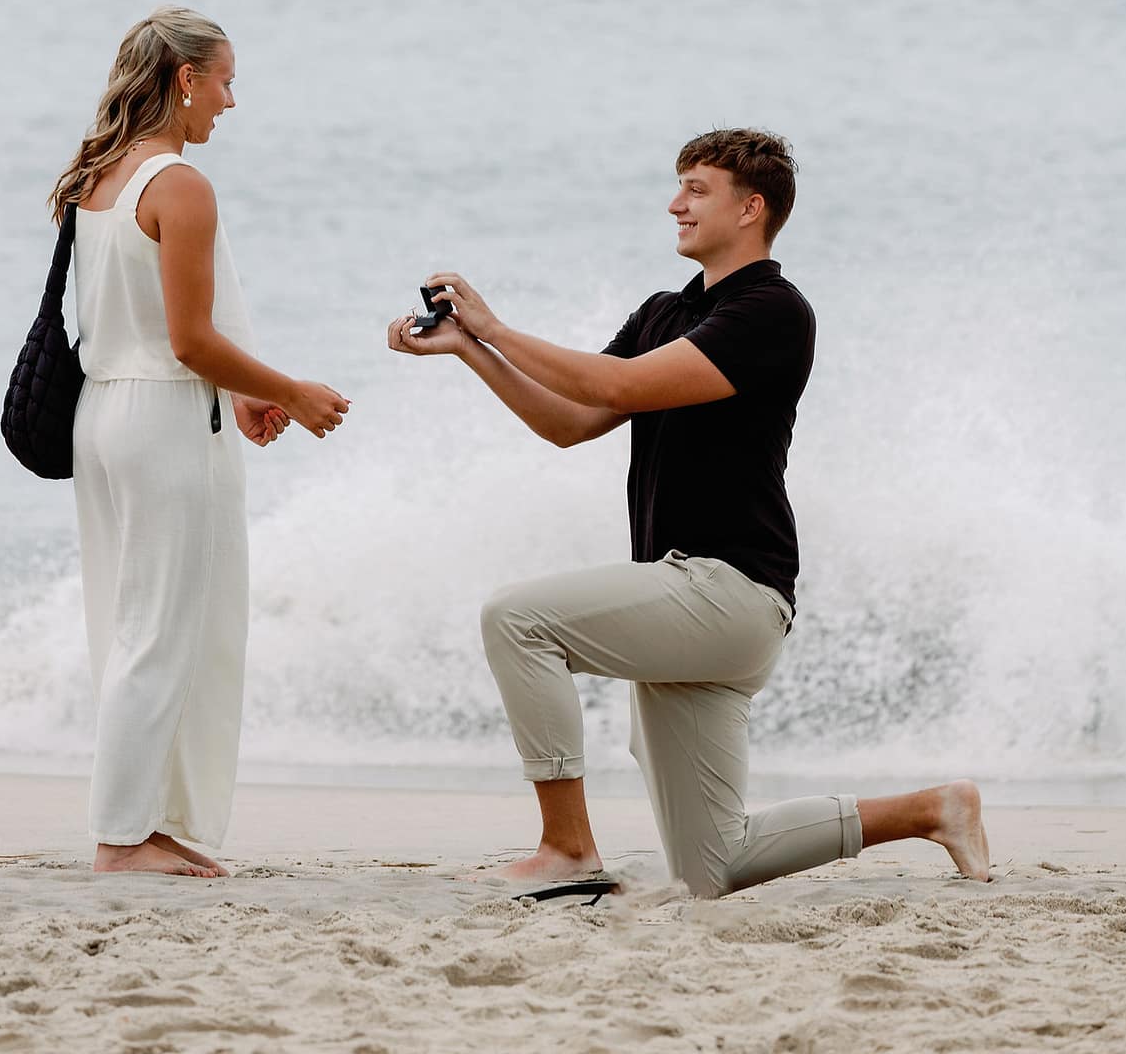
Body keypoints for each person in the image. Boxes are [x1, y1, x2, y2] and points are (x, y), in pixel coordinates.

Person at [387, 128, 990, 898]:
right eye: (677, 187)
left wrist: (498, 327)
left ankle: (566, 848)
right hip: (686, 600)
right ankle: (933, 809)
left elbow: (616, 388)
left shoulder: (774, 312)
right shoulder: (662, 313)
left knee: (516, 619)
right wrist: (470, 350)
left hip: (731, 589)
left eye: (696, 189)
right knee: (715, 865)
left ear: (752, 208)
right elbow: (569, 421)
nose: (675, 204)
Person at [52, 6, 350, 877]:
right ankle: (120, 840)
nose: (230, 100)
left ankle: (142, 821)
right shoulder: (178, 184)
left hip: (106, 413)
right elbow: (186, 339)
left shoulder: (98, 174)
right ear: (186, 79)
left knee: (135, 620)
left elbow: (145, 324)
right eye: (224, 80)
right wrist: (287, 391)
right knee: (164, 627)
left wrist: (245, 390)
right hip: (164, 419)